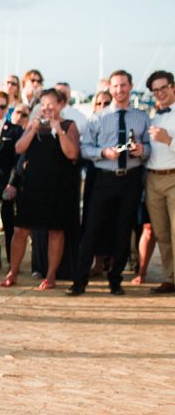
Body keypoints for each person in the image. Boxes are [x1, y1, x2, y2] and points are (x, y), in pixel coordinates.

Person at [69, 70, 153, 296]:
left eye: (123, 85)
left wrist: (143, 150)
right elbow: (86, 149)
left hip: (131, 178)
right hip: (104, 179)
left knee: (124, 230)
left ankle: (115, 280)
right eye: (115, 86)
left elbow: (149, 148)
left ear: (130, 86)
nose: (119, 90)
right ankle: (80, 281)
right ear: (110, 89)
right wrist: (103, 152)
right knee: (92, 229)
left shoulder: (142, 117)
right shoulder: (98, 117)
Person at [0, 89, 81, 289]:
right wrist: (33, 129)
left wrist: (58, 130)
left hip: (57, 187)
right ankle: (13, 272)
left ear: (60, 105)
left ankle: (51, 275)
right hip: (32, 185)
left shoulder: (69, 126)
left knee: (55, 232)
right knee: (20, 230)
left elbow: (72, 154)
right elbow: (19, 148)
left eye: (50, 104)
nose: (47, 108)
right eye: (43, 105)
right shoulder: (33, 125)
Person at [144, 69, 175, 293]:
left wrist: (169, 140)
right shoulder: (152, 117)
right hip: (153, 179)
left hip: (173, 177)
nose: (160, 93)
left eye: (163, 87)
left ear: (173, 86)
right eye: (156, 90)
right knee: (162, 233)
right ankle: (170, 277)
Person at [0, 91, 24, 270]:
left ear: (7, 108)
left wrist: (12, 183)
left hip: (6, 184)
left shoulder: (16, 130)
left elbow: (19, 160)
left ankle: (11, 261)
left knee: (8, 222)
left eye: (3, 106)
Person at [86, 90, 116, 278]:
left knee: (113, 220)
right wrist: (102, 152)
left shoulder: (117, 122)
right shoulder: (92, 122)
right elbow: (84, 150)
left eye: (106, 103)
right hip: (95, 173)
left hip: (114, 176)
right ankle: (97, 265)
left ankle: (112, 266)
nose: (102, 107)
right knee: (94, 221)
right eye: (99, 103)